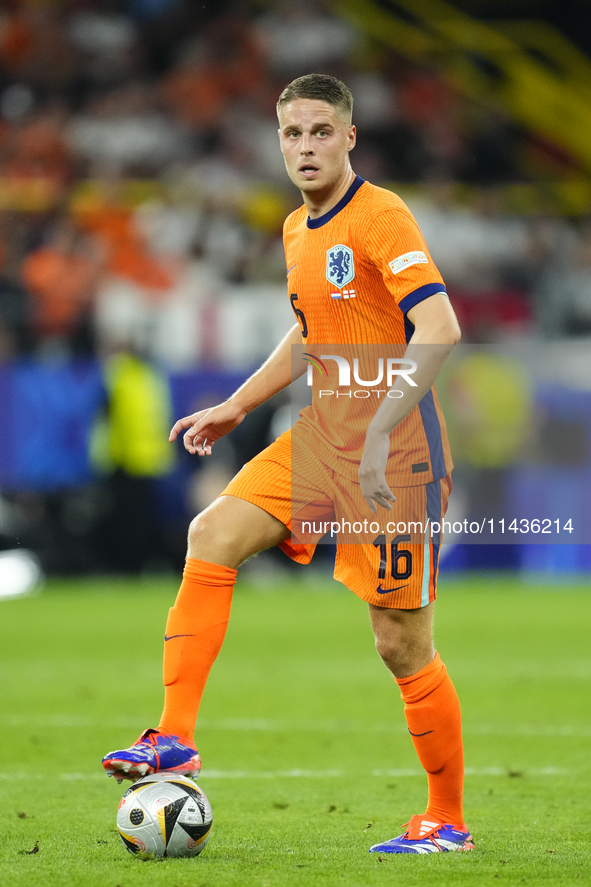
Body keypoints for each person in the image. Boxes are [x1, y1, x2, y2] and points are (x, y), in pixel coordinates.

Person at [102, 73, 472, 855]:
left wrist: (381, 429)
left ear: (348, 137)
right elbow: (308, 334)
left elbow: (437, 325)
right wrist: (236, 403)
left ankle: (446, 818)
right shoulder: (295, 230)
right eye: (291, 135)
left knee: (398, 640)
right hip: (321, 435)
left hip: (394, 451)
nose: (304, 148)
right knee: (212, 534)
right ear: (278, 142)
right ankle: (173, 736)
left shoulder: (381, 214)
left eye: (319, 132)